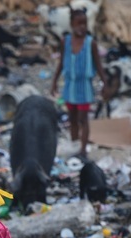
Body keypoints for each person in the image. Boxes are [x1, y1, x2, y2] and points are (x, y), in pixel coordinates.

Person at [50, 7, 107, 160]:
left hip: (84, 87)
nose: (82, 27)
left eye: (85, 23)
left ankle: (83, 151)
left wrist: (105, 83)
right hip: (70, 86)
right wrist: (54, 81)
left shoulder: (90, 43)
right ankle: (74, 145)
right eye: (79, 23)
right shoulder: (65, 42)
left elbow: (98, 65)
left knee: (83, 119)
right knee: (72, 118)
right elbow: (61, 63)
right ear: (71, 24)